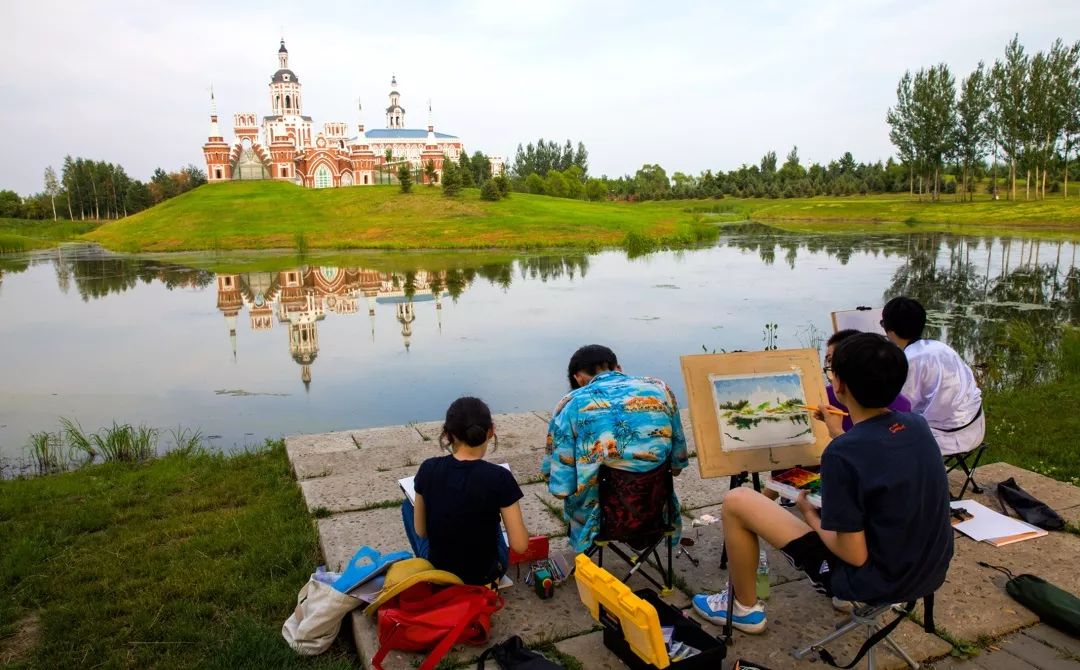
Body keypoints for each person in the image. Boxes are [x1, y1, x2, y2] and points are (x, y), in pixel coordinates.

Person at [692, 333, 953, 633]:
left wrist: (810, 516)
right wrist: (836, 433)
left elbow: (853, 554)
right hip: (930, 570)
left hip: (874, 581)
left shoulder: (843, 454)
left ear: (839, 385)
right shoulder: (916, 425)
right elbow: (874, 457)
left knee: (737, 501)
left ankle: (743, 608)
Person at [542, 344, 689, 552]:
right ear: (618, 368)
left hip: (600, 520)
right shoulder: (660, 390)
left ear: (578, 378)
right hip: (656, 511)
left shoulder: (571, 404)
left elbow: (560, 489)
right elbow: (677, 465)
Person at [766, 328, 915, 503]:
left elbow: (862, 463)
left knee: (744, 497)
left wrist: (810, 516)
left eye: (832, 363)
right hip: (880, 494)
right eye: (827, 362)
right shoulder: (913, 421)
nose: (829, 370)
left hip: (846, 486)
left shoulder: (826, 399)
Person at [401, 396, 530, 586]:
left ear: (447, 434)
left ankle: (429, 569)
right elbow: (520, 546)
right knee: (489, 516)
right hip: (486, 577)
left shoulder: (428, 468)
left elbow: (421, 532)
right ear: (491, 431)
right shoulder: (500, 477)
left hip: (441, 577)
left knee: (407, 506)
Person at [880, 296, 984, 456]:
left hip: (946, 438)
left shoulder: (909, 360)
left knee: (879, 428)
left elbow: (903, 406)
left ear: (890, 331)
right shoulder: (942, 347)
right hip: (975, 426)